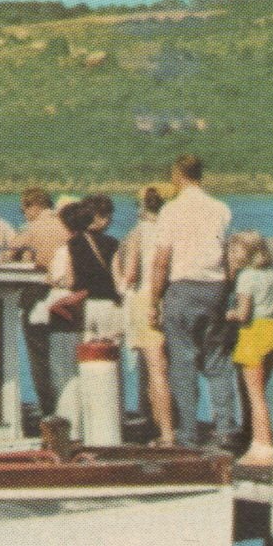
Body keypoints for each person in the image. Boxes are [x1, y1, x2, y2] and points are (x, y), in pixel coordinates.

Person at [148, 154, 238, 451]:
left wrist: (153, 300)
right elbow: (226, 255)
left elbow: (161, 261)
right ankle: (225, 426)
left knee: (183, 362)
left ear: (177, 175)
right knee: (217, 361)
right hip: (214, 287)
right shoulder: (220, 209)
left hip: (183, 288)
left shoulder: (171, 211)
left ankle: (188, 432)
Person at [45, 198, 124, 421]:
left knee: (88, 362)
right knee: (110, 361)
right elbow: (118, 280)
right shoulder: (112, 243)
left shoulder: (72, 244)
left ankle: (90, 417)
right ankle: (113, 416)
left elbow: (70, 281)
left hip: (86, 305)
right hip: (109, 305)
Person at [116, 185, 177, 444]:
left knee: (154, 369)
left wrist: (113, 272)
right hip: (172, 297)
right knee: (170, 367)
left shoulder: (138, 233)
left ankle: (164, 432)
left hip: (145, 300)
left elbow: (129, 277)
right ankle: (167, 425)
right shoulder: (174, 230)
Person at [227, 231, 273, 467]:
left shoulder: (247, 277)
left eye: (235, 250)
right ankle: (260, 440)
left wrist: (228, 314)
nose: (231, 254)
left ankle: (263, 445)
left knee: (255, 395)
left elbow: (243, 314)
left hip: (253, 333)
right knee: (263, 391)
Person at [14, 186, 68, 415]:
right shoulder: (65, 225)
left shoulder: (33, 228)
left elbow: (9, 250)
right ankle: (66, 405)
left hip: (39, 294)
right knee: (63, 355)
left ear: (33, 206)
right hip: (66, 296)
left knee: (39, 356)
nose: (24, 214)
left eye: (24, 209)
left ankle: (48, 409)